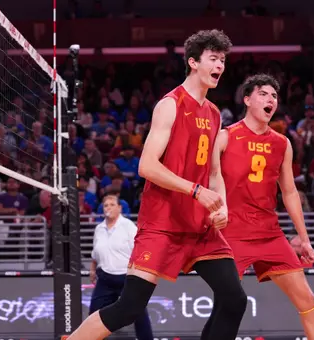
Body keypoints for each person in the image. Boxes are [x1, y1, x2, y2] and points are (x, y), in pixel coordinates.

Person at [68, 29, 248, 340]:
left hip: (199, 226)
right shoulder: (171, 105)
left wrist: (223, 204)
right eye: (213, 59)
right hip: (162, 222)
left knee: (234, 299)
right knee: (129, 307)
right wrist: (195, 190)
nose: (220, 65)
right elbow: (147, 166)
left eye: (223, 60)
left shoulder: (215, 113)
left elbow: (215, 171)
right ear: (193, 62)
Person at [211, 74, 314, 340]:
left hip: (270, 233)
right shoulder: (225, 137)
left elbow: (289, 192)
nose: (271, 100)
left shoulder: (282, 143)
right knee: (227, 306)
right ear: (247, 99)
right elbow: (209, 178)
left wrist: (304, 238)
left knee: (307, 300)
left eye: (274, 96)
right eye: (264, 94)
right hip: (232, 234)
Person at [89, 194, 153, 340]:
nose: (108, 208)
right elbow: (95, 253)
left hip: (127, 278)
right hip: (105, 278)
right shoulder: (99, 229)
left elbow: (140, 250)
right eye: (106, 205)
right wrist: (92, 269)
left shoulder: (128, 227)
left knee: (138, 312)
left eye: (112, 205)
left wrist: (140, 273)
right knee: (94, 312)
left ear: (119, 208)